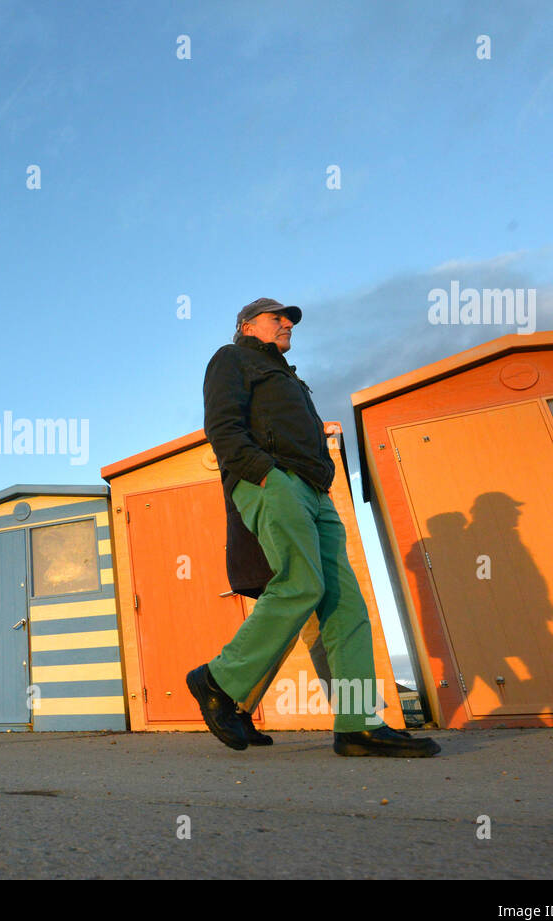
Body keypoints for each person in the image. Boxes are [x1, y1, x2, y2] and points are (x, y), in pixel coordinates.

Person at [186, 298, 440, 757]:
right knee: (299, 584)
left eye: (290, 320)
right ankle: (218, 679)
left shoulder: (289, 376)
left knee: (346, 606)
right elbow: (222, 425)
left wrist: (322, 480)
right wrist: (264, 473)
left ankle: (359, 724)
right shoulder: (231, 358)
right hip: (273, 480)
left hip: (315, 492)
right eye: (277, 318)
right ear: (246, 325)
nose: (287, 324)